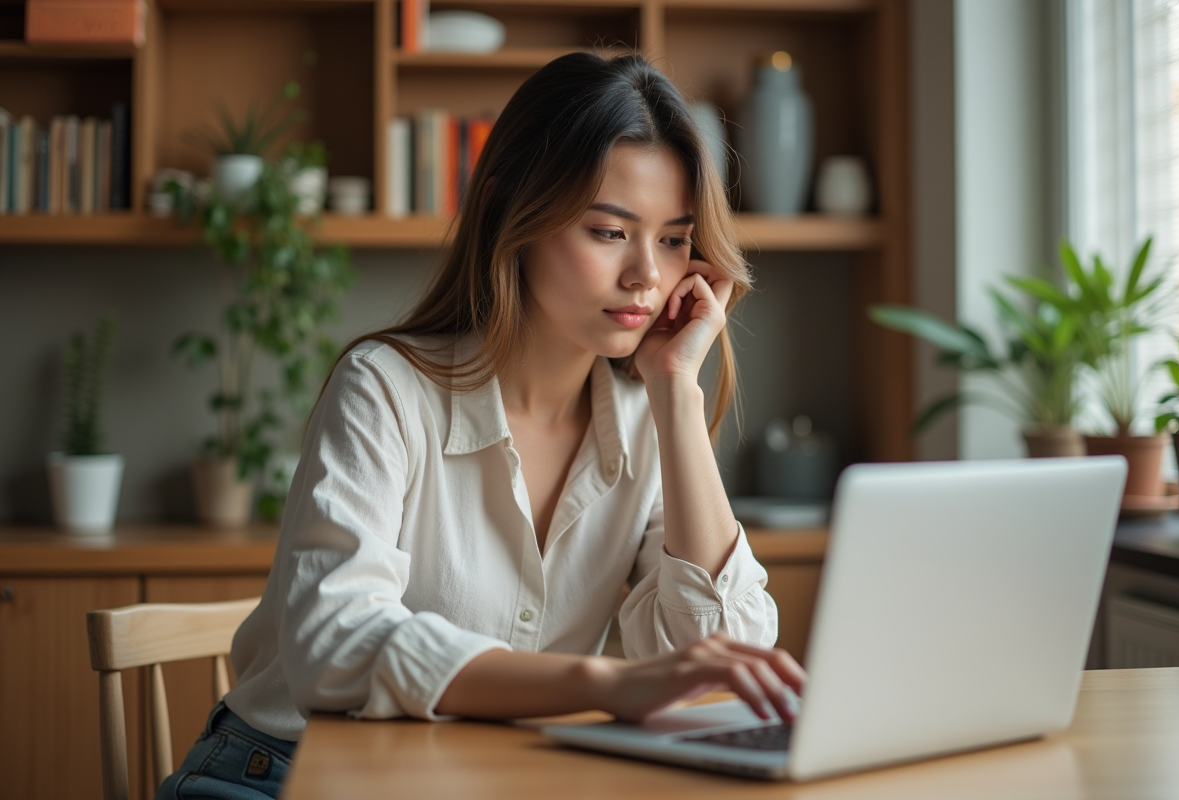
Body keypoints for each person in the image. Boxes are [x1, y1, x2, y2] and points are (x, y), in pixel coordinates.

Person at [155, 52, 804, 800]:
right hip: (278, 774)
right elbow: (332, 647)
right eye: (607, 231)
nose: (647, 278)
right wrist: (605, 682)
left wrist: (678, 396)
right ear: (506, 214)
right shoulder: (385, 389)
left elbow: (723, 659)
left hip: (475, 779)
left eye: (672, 239)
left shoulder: (646, 417)